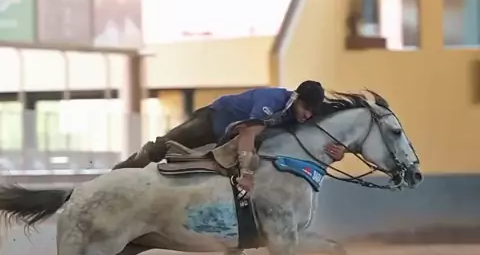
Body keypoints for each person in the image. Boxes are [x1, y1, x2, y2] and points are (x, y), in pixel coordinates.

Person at [113, 80, 345, 195]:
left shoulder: (303, 112)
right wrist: (247, 174)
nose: (308, 115)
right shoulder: (271, 101)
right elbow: (248, 134)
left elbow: (332, 130)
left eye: (313, 111)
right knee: (161, 147)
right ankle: (116, 177)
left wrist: (340, 149)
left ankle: (234, 251)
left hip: (231, 137)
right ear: (295, 98)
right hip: (212, 121)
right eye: (306, 108)